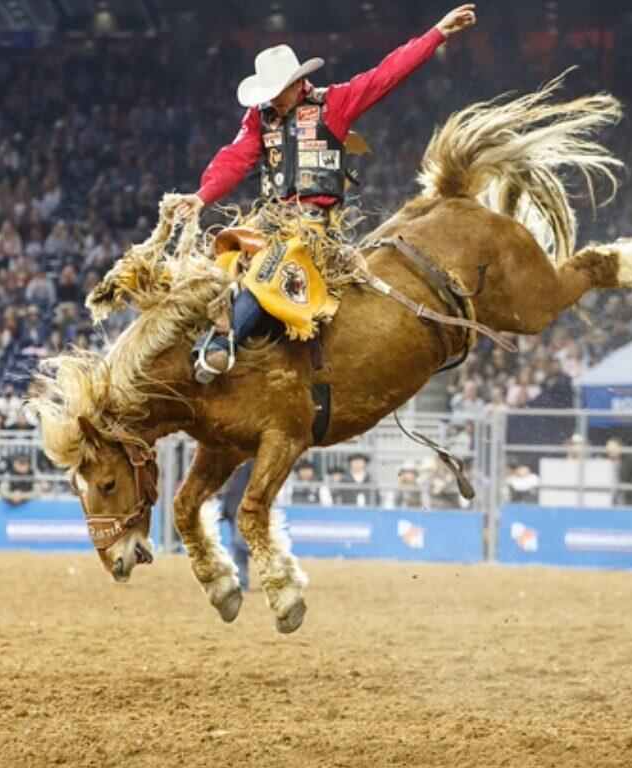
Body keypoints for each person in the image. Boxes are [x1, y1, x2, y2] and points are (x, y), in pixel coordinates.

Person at [171, 4, 478, 383]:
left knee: (275, 267)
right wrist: (203, 196)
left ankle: (221, 343)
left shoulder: (334, 104)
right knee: (217, 262)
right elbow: (234, 158)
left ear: (298, 84)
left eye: (277, 93)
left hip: (312, 229)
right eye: (267, 95)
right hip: (268, 220)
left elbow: (387, 74)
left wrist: (437, 33)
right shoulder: (259, 119)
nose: (273, 102)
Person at [218, 460, 254, 590]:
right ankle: (241, 584)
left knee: (239, 544)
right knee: (237, 548)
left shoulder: (251, 460)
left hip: (246, 509)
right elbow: (228, 488)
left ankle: (266, 556)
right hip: (232, 508)